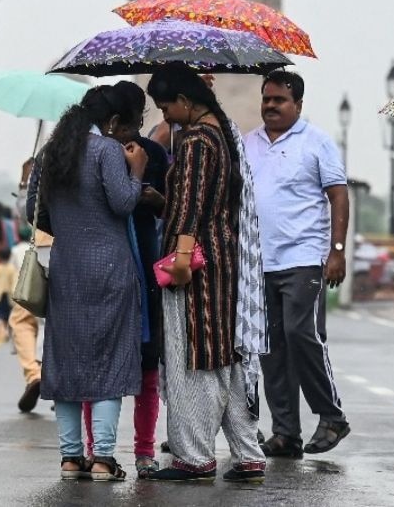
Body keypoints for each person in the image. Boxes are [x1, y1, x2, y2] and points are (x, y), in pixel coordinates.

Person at [145, 65, 268, 484]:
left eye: (166, 107)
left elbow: (194, 202)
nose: (166, 116)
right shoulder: (225, 134)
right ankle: (248, 454)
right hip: (221, 258)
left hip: (194, 264)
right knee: (225, 354)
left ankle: (194, 457)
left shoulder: (197, 141)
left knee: (193, 356)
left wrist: (180, 256)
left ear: (186, 101)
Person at [34, 85, 147, 482]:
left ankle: (69, 457)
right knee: (110, 359)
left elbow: (39, 210)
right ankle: (102, 458)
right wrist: (137, 172)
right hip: (110, 268)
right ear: (112, 121)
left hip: (66, 267)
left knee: (66, 360)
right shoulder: (107, 151)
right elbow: (122, 202)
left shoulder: (53, 153)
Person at [243, 70, 351, 458]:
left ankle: (331, 414)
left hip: (304, 258)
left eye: (279, 100)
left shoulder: (316, 142)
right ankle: (286, 432)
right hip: (260, 262)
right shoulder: (249, 143)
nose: (271, 106)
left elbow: (338, 195)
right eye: (266, 99)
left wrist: (336, 251)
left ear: (298, 105)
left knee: (300, 333)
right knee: (270, 347)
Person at [78, 80, 169, 477]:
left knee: (148, 363)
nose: (136, 129)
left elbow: (172, 207)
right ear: (116, 120)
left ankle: (144, 450)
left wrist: (153, 197)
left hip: (144, 265)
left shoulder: (153, 154)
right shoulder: (87, 154)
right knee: (96, 364)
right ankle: (95, 449)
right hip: (102, 268)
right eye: (133, 121)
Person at [9, 158, 50, 412]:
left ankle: (34, 375)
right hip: (76, 250)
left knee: (22, 317)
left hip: (43, 249)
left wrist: (26, 181)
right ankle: (59, 381)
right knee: (63, 318)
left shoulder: (45, 158)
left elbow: (28, 212)